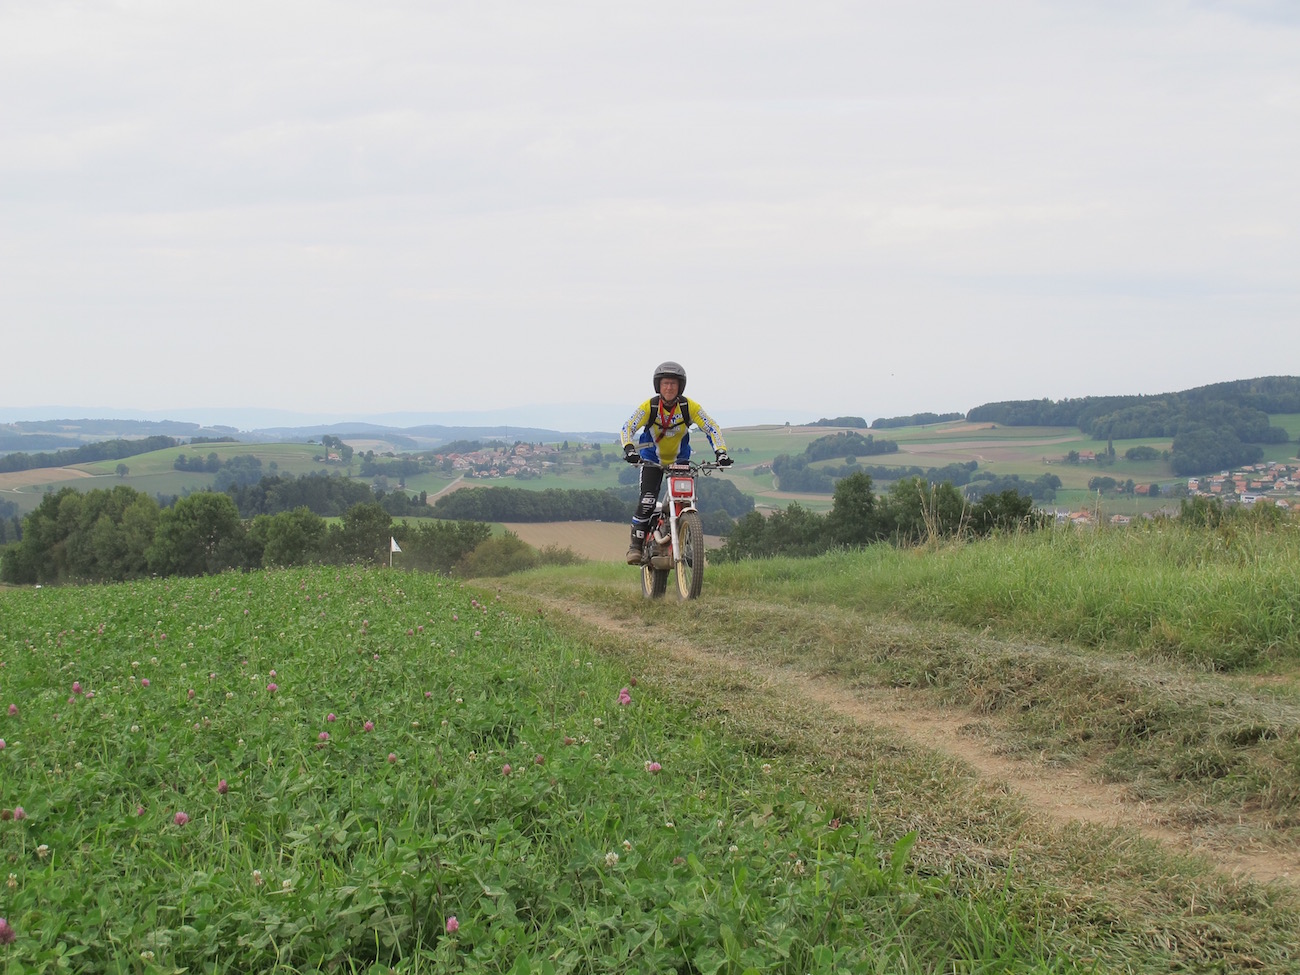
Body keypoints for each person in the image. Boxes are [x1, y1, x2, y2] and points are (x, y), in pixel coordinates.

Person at [619, 360, 733, 564]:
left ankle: (685, 536)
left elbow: (712, 428)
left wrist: (721, 453)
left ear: (680, 386)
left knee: (684, 499)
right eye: (665, 383)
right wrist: (629, 449)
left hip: (680, 460)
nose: (669, 387)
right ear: (658, 386)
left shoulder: (689, 407)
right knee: (647, 500)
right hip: (651, 460)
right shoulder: (650, 406)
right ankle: (636, 545)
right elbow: (627, 427)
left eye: (673, 383)